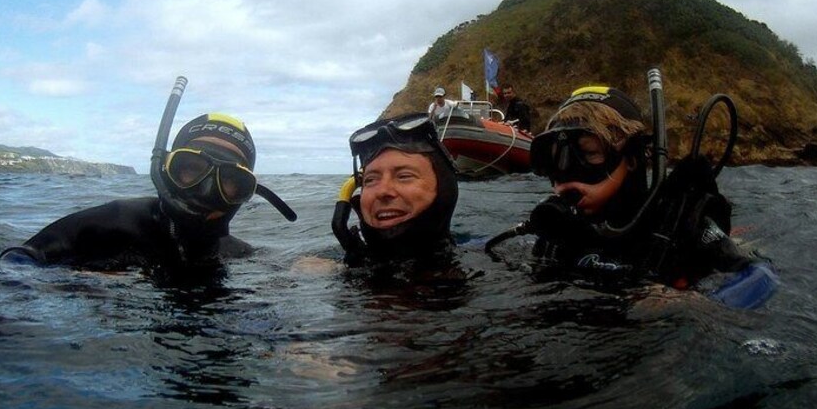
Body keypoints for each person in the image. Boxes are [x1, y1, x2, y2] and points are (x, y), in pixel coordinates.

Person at [488, 85, 778, 308]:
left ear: (632, 159)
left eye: (589, 155)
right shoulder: (559, 228)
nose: (565, 180)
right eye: (555, 161)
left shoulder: (676, 222)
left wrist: (694, 305)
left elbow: (760, 275)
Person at [0, 112, 295, 272]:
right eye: (191, 168)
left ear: (245, 192)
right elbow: (18, 264)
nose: (206, 192)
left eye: (230, 180)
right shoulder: (107, 225)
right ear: (166, 168)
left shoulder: (241, 255)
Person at [331, 114, 459, 270]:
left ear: (444, 186)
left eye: (404, 176)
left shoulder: (491, 262)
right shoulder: (321, 271)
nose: (383, 191)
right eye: (370, 180)